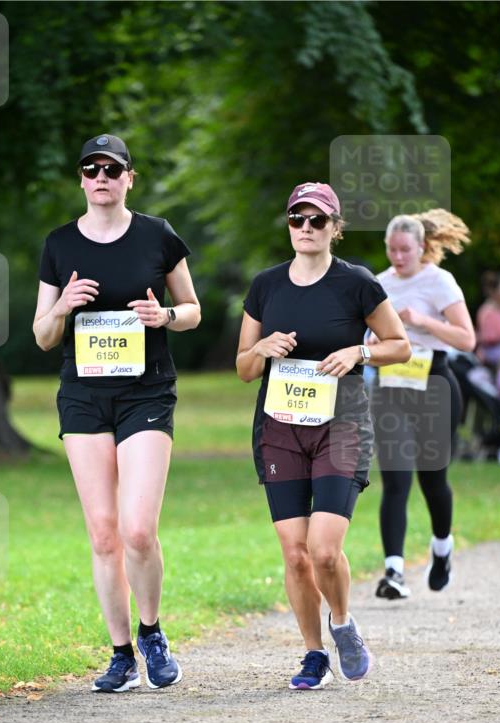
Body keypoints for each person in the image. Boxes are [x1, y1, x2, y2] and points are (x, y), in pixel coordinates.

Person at [33, 133, 201, 692]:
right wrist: (61, 306)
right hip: (83, 395)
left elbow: (194, 311)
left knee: (136, 530)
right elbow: (41, 336)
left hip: (145, 393)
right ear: (81, 179)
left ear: (130, 177)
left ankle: (152, 632)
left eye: (112, 167)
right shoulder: (59, 244)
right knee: (103, 535)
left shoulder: (157, 235)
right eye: (91, 168)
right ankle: (121, 652)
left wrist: (165, 316)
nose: (101, 176)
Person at [236, 182, 410, 691]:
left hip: (342, 423)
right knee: (295, 553)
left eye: (317, 220)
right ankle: (314, 654)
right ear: (288, 224)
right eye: (297, 218)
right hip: (280, 428)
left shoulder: (355, 283)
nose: (306, 228)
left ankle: (342, 623)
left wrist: (360, 353)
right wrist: (263, 347)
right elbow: (244, 368)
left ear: (335, 228)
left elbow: (399, 345)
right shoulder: (266, 286)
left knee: (324, 550)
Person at [371, 210, 475, 600]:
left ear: (421, 247)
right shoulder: (378, 285)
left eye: (405, 250)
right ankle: (394, 572)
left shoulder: (439, 281)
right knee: (396, 479)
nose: (398, 257)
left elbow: (467, 340)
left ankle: (442, 548)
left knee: (433, 479)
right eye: (392, 250)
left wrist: (422, 322)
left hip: (433, 383)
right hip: (391, 386)